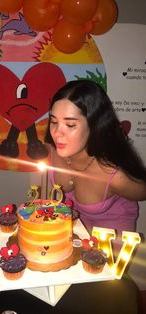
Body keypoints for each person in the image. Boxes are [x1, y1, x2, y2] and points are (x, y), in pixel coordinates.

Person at [45, 79, 146, 249]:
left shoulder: (114, 175)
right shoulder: (53, 148)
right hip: (73, 236)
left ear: (94, 126)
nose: (57, 133)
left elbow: (143, 192)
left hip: (110, 244)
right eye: (54, 121)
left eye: (70, 125)